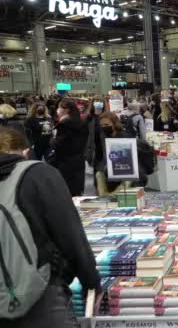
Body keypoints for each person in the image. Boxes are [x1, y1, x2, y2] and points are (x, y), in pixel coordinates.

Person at [0, 128, 101, 327]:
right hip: (38, 292)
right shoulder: (37, 173)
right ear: (24, 151)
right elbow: (70, 235)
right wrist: (92, 283)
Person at [50, 99, 89, 196]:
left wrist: (52, 140)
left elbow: (58, 144)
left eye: (59, 107)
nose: (58, 110)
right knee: (77, 191)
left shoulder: (64, 124)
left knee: (65, 191)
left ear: (66, 110)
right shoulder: (82, 122)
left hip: (64, 161)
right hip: (79, 160)